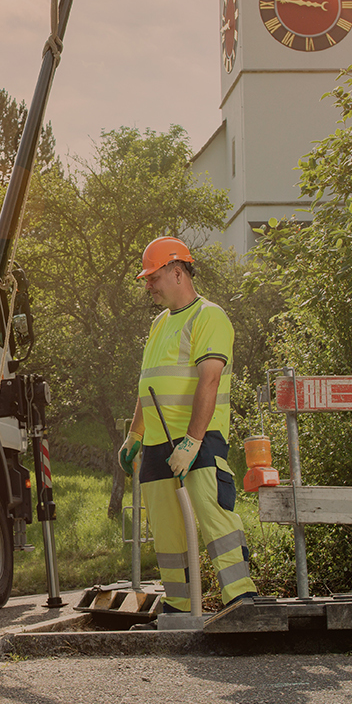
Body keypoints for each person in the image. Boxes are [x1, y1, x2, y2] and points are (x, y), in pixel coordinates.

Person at [119, 237, 259, 615]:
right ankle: (179, 604)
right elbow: (148, 383)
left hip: (199, 438)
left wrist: (193, 441)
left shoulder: (208, 316)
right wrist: (135, 434)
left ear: (177, 272)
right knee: (166, 529)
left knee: (215, 516)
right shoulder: (158, 324)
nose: (148, 285)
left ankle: (241, 597)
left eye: (154, 277)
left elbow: (209, 382)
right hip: (158, 441)